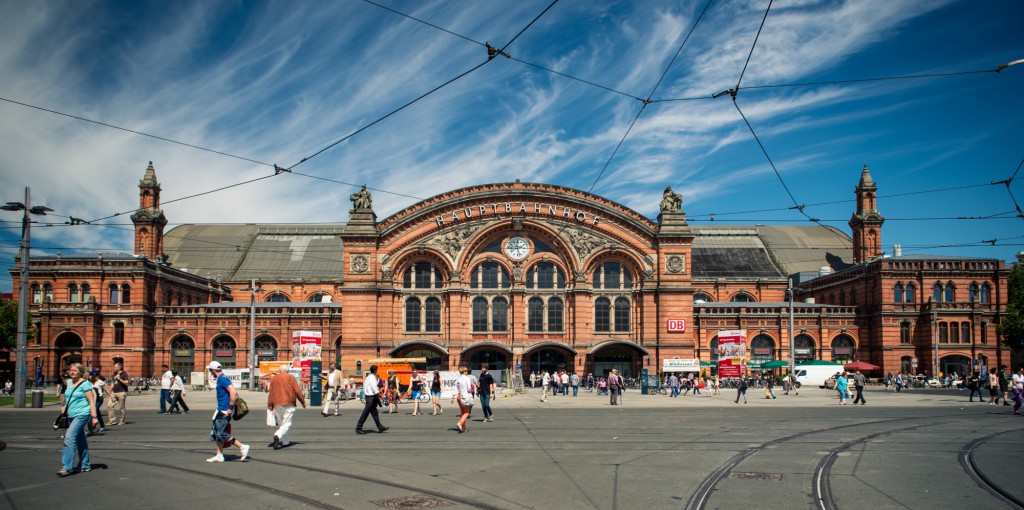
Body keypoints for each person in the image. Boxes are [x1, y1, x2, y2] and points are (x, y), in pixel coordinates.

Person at [58, 363, 99, 476]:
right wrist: (64, 408)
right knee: (80, 440)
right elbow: (68, 397)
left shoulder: (85, 384)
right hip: (71, 414)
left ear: (81, 372)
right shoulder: (69, 383)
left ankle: (67, 467)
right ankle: (85, 465)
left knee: (69, 438)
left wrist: (94, 417)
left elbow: (91, 402)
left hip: (82, 414)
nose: (72, 372)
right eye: (71, 370)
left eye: (75, 370)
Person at [206, 361, 250, 463]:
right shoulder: (222, 378)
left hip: (225, 409)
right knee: (218, 432)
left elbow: (233, 392)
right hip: (221, 408)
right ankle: (219, 455)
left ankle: (242, 446)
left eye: (210, 370)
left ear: (213, 370)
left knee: (221, 433)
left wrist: (230, 408)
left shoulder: (223, 379)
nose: (211, 372)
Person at [267, 364, 306, 449]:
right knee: (287, 423)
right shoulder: (290, 377)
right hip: (288, 403)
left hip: (277, 404)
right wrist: (302, 401)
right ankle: (277, 435)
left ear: (280, 370)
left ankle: (285, 442)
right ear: (287, 371)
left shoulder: (274, 379)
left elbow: (271, 393)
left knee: (281, 424)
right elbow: (297, 390)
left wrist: (270, 405)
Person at [355, 365, 388, 434]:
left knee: (374, 413)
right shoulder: (372, 378)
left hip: (369, 396)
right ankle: (359, 427)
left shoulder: (368, 377)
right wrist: (381, 397)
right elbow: (374, 389)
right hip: (371, 398)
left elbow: (365, 387)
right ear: (375, 371)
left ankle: (380, 427)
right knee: (365, 413)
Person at [453, 366, 474, 432]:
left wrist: (452, 397)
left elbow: (455, 389)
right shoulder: (467, 378)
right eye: (466, 371)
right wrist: (471, 390)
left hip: (459, 396)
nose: (467, 372)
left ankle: (463, 427)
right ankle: (460, 423)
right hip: (465, 397)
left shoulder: (458, 379)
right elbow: (469, 388)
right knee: (467, 412)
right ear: (464, 372)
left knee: (462, 412)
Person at [86, 369, 107, 434]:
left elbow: (106, 389)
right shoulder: (88, 382)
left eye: (91, 375)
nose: (90, 376)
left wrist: (110, 396)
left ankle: (91, 429)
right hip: (92, 399)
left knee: (93, 412)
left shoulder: (100, 381)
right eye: (90, 375)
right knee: (97, 412)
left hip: (99, 399)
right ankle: (102, 426)